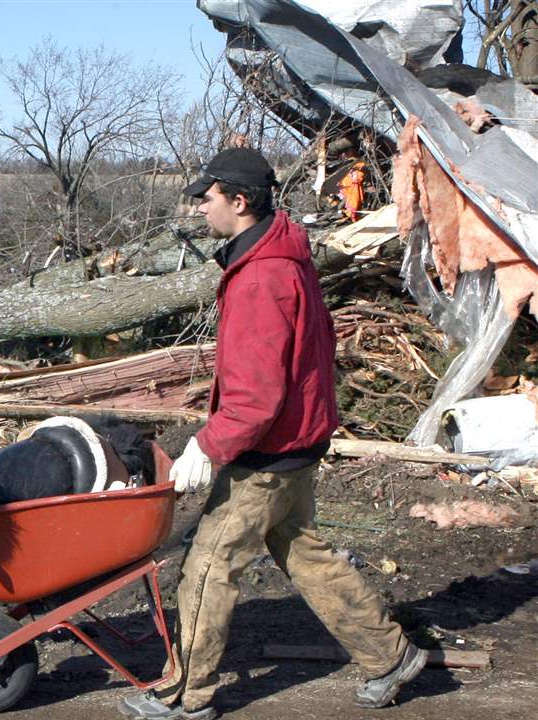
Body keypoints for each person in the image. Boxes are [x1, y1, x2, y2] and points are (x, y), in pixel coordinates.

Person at [118, 148, 427, 720]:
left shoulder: (262, 277)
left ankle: (186, 696)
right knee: (306, 555)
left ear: (239, 201)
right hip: (296, 441)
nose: (200, 208)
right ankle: (389, 655)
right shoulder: (281, 254)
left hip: (268, 451)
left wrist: (207, 445)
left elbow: (257, 395)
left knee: (207, 569)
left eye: (206, 198)